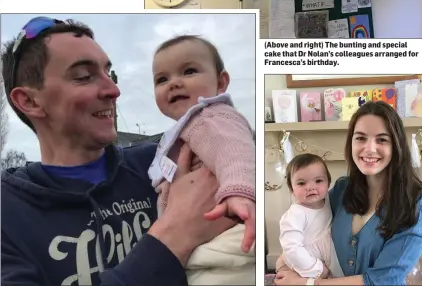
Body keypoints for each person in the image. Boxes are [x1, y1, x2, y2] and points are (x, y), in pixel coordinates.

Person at [0, 17, 250, 286]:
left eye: (109, 73)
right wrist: (174, 235)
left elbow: (237, 151)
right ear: (29, 101)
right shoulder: (9, 213)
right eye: (84, 77)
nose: (113, 90)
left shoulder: (164, 161)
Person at [276, 101, 422, 286]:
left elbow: (384, 279)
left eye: (382, 139)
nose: (369, 148)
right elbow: (309, 230)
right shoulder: (342, 190)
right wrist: (284, 263)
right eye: (360, 138)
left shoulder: (416, 203)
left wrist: (310, 283)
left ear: (396, 145)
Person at [149, 35, 255, 284]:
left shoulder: (210, 116)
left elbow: (235, 152)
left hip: (222, 241)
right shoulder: (187, 129)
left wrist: (239, 192)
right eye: (162, 79)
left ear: (221, 82)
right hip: (206, 245)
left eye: (189, 71)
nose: (174, 83)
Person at [276, 153, 343, 281]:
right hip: (306, 261)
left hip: (328, 253)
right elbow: (292, 248)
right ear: (291, 189)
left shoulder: (328, 200)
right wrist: (316, 268)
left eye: (318, 181)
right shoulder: (295, 214)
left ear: (328, 182)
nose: (311, 187)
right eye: (301, 183)